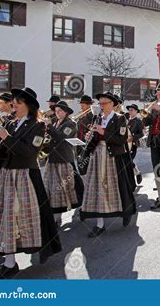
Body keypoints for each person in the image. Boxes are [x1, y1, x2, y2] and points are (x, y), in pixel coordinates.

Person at [0, 87, 61, 278]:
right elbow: (5, 153)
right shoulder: (10, 124)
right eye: (14, 102)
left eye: (18, 103)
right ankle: (9, 262)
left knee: (30, 218)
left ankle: (39, 248)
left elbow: (29, 153)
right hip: (7, 175)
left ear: (28, 106)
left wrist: (6, 138)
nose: (14, 105)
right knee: (6, 218)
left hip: (26, 176)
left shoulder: (38, 125)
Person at [80, 91, 137, 237]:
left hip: (113, 157)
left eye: (104, 103)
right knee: (97, 187)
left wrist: (103, 133)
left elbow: (121, 139)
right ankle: (100, 224)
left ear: (112, 104)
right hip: (97, 157)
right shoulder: (97, 118)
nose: (101, 106)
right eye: (100, 103)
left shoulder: (120, 118)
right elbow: (95, 139)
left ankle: (126, 212)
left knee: (119, 187)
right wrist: (90, 136)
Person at [43, 101, 84, 224]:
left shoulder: (71, 124)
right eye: (56, 111)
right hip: (52, 159)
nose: (57, 113)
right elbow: (51, 140)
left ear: (66, 112)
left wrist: (49, 127)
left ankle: (83, 207)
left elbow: (60, 137)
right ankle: (57, 217)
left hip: (65, 159)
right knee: (53, 189)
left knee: (74, 187)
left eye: (60, 110)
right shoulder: (55, 123)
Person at [126, 104, 144, 185]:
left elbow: (142, 134)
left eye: (131, 110)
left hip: (133, 144)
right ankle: (136, 172)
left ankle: (136, 174)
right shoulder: (126, 120)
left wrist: (133, 137)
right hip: (125, 144)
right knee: (127, 161)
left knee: (128, 161)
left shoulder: (138, 121)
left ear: (136, 111)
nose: (130, 112)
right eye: (129, 110)